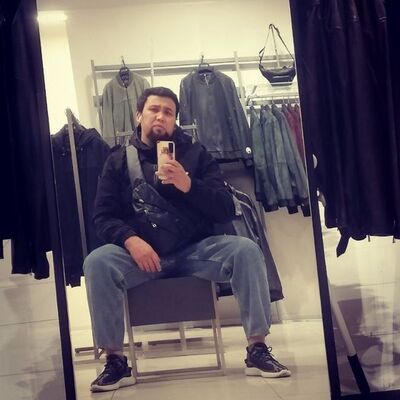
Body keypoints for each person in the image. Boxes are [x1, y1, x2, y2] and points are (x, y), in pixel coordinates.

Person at [84, 86, 291, 392]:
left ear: (175, 120)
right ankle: (115, 360)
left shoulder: (196, 154)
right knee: (97, 262)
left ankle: (257, 348)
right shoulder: (117, 160)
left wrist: (189, 185)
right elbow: (102, 217)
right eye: (154, 109)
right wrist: (130, 239)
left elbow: (225, 208)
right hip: (141, 256)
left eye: (168, 112)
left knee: (246, 250)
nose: (160, 116)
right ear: (139, 115)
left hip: (195, 251)